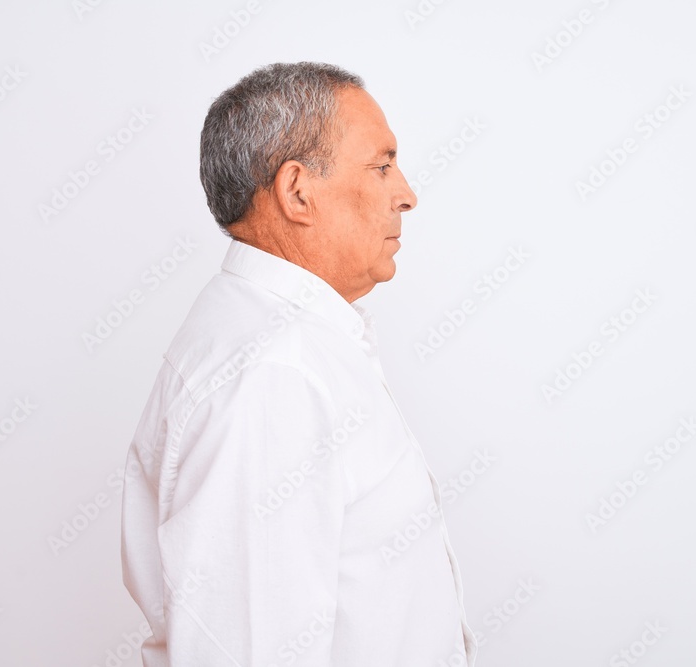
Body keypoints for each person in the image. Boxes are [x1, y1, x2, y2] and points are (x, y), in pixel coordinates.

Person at [121, 61, 477, 666]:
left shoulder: (285, 342)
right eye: (382, 165)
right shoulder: (272, 375)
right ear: (297, 192)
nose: (407, 194)